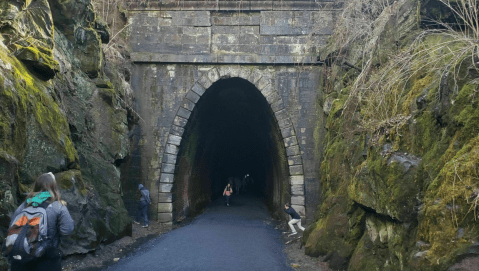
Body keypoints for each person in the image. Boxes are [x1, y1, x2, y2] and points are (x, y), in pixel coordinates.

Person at [8, 172, 74, 271]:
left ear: (36, 187)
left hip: (21, 259)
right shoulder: (58, 207)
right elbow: (67, 230)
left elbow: (11, 228)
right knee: (54, 254)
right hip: (46, 259)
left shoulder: (23, 205)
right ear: (54, 188)